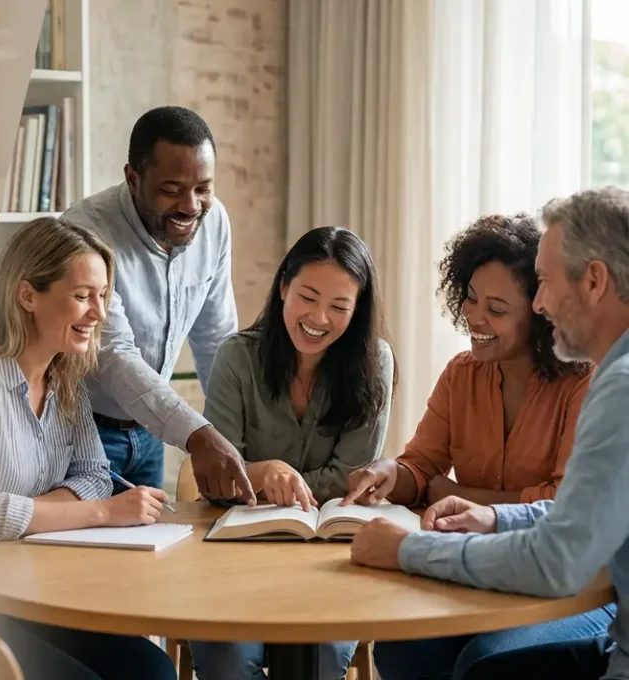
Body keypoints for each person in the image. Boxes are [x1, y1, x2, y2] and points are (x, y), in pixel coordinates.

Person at [350, 186, 629, 680]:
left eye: (545, 282)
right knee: (408, 650)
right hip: (610, 634)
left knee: (488, 667)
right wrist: (495, 517)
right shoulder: (469, 373)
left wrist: (409, 548)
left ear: (594, 281)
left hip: (606, 629)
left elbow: (560, 556)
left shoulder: (614, 386)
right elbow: (571, 514)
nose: (542, 302)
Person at [0, 216, 176, 680]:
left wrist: (19, 516)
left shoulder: (67, 376)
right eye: (82, 296)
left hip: (34, 585)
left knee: (152, 670)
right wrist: (102, 513)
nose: (99, 313)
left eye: (103, 296)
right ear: (28, 294)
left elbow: (94, 475)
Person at [186, 226, 394, 680]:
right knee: (228, 662)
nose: (318, 317)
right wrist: (263, 473)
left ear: (357, 311)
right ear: (283, 287)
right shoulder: (236, 358)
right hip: (235, 560)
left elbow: (350, 477)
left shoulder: (374, 363)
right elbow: (218, 474)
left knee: (315, 661)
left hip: (331, 563)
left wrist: (263, 479)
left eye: (339, 306)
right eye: (308, 296)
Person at [61, 106, 254, 503]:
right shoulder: (84, 232)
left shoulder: (214, 222)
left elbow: (215, 339)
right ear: (133, 178)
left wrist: (234, 438)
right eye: (171, 190)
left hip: (153, 434)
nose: (191, 206)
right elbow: (112, 354)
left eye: (203, 188)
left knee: (151, 554)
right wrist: (197, 434)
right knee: (85, 558)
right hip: (82, 433)